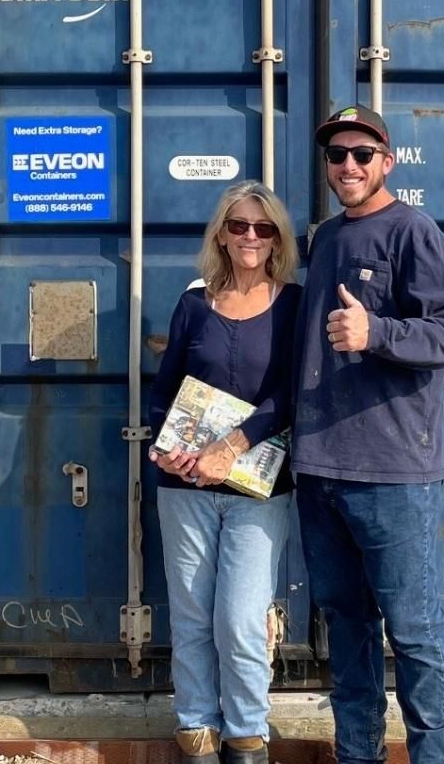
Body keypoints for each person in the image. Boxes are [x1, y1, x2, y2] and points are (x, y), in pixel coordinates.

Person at [292, 105, 444, 764]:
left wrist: (378, 333)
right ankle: (357, 754)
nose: (347, 165)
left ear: (386, 162)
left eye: (361, 154)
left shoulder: (411, 230)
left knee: (416, 631)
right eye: (336, 154)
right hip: (320, 471)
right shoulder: (325, 239)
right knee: (347, 630)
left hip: (391, 472)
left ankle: (435, 757)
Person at [147, 180, 302, 764]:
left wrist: (232, 446)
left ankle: (247, 737)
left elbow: (291, 395)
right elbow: (164, 392)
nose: (251, 237)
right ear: (221, 232)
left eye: (263, 229)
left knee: (239, 622)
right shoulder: (194, 302)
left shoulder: (294, 303)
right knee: (190, 621)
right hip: (183, 487)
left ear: (277, 238)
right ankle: (196, 736)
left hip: (257, 489)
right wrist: (167, 450)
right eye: (239, 225)